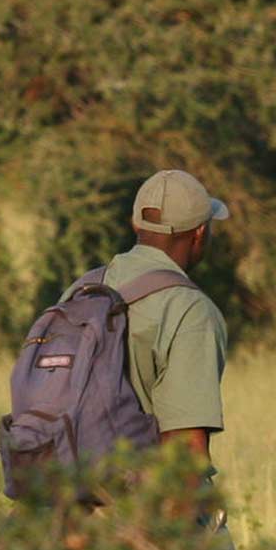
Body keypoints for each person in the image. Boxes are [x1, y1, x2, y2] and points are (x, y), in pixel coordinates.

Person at [82, 167, 232, 462]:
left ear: (136, 224)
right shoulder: (189, 309)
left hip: (53, 490)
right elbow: (186, 446)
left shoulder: (83, 289)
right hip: (131, 497)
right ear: (200, 233)